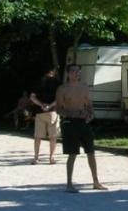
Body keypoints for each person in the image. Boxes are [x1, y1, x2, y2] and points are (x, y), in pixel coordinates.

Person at [55, 65, 107, 193]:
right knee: (72, 154)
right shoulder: (62, 89)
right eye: (73, 71)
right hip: (69, 123)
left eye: (78, 72)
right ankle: (69, 184)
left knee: (91, 152)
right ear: (68, 74)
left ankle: (96, 181)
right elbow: (58, 108)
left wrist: (90, 114)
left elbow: (89, 104)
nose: (76, 74)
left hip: (84, 122)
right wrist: (69, 114)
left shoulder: (84, 87)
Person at [29, 67, 60, 164]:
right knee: (53, 137)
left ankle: (36, 158)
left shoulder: (38, 82)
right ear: (53, 72)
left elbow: (32, 97)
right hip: (53, 112)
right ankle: (51, 158)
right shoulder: (57, 82)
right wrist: (49, 106)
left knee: (38, 137)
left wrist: (41, 104)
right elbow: (59, 98)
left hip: (40, 112)